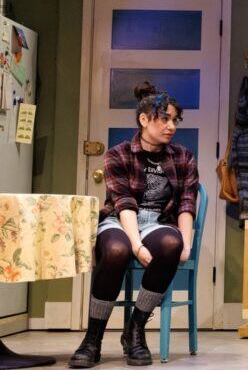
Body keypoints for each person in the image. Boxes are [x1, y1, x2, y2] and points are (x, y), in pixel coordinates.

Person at [70, 82, 198, 368]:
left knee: (171, 244)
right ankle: (93, 339)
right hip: (120, 218)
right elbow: (124, 203)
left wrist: (186, 244)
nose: (171, 126)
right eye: (163, 119)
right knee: (116, 251)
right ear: (144, 120)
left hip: (157, 222)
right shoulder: (119, 154)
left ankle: (135, 330)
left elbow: (187, 204)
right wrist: (136, 245)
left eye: (174, 120)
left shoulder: (183, 157)